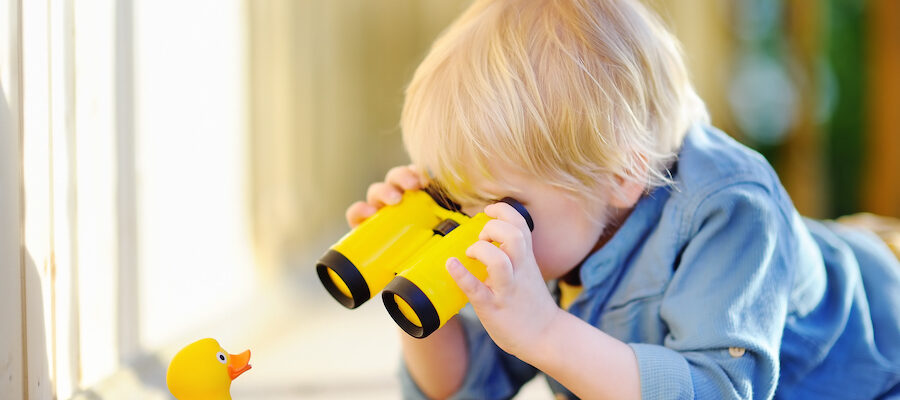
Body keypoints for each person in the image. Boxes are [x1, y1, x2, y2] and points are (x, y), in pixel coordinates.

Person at [343, 0, 900, 398]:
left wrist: (544, 332)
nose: (472, 228)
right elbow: (463, 388)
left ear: (622, 172)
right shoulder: (564, 228)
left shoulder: (731, 208)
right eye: (450, 200)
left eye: (498, 207)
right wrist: (413, 277)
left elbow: (715, 390)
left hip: (877, 344)